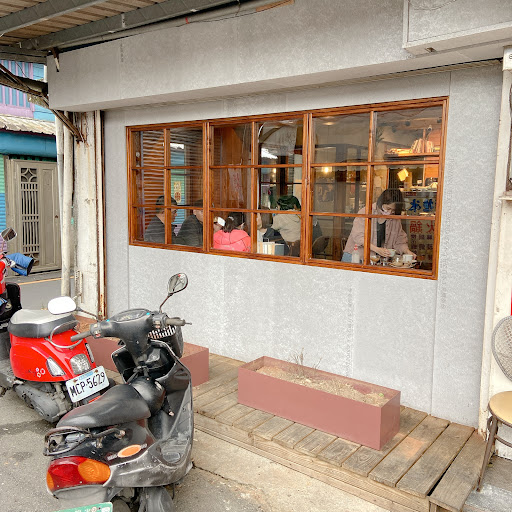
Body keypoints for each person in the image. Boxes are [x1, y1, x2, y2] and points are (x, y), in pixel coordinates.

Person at [342, 188, 416, 263]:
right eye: (388, 208)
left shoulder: (395, 218)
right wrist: (377, 249)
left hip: (376, 260)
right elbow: (359, 237)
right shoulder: (366, 212)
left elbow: (400, 240)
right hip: (355, 256)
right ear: (381, 202)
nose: (390, 212)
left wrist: (407, 251)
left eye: (393, 210)